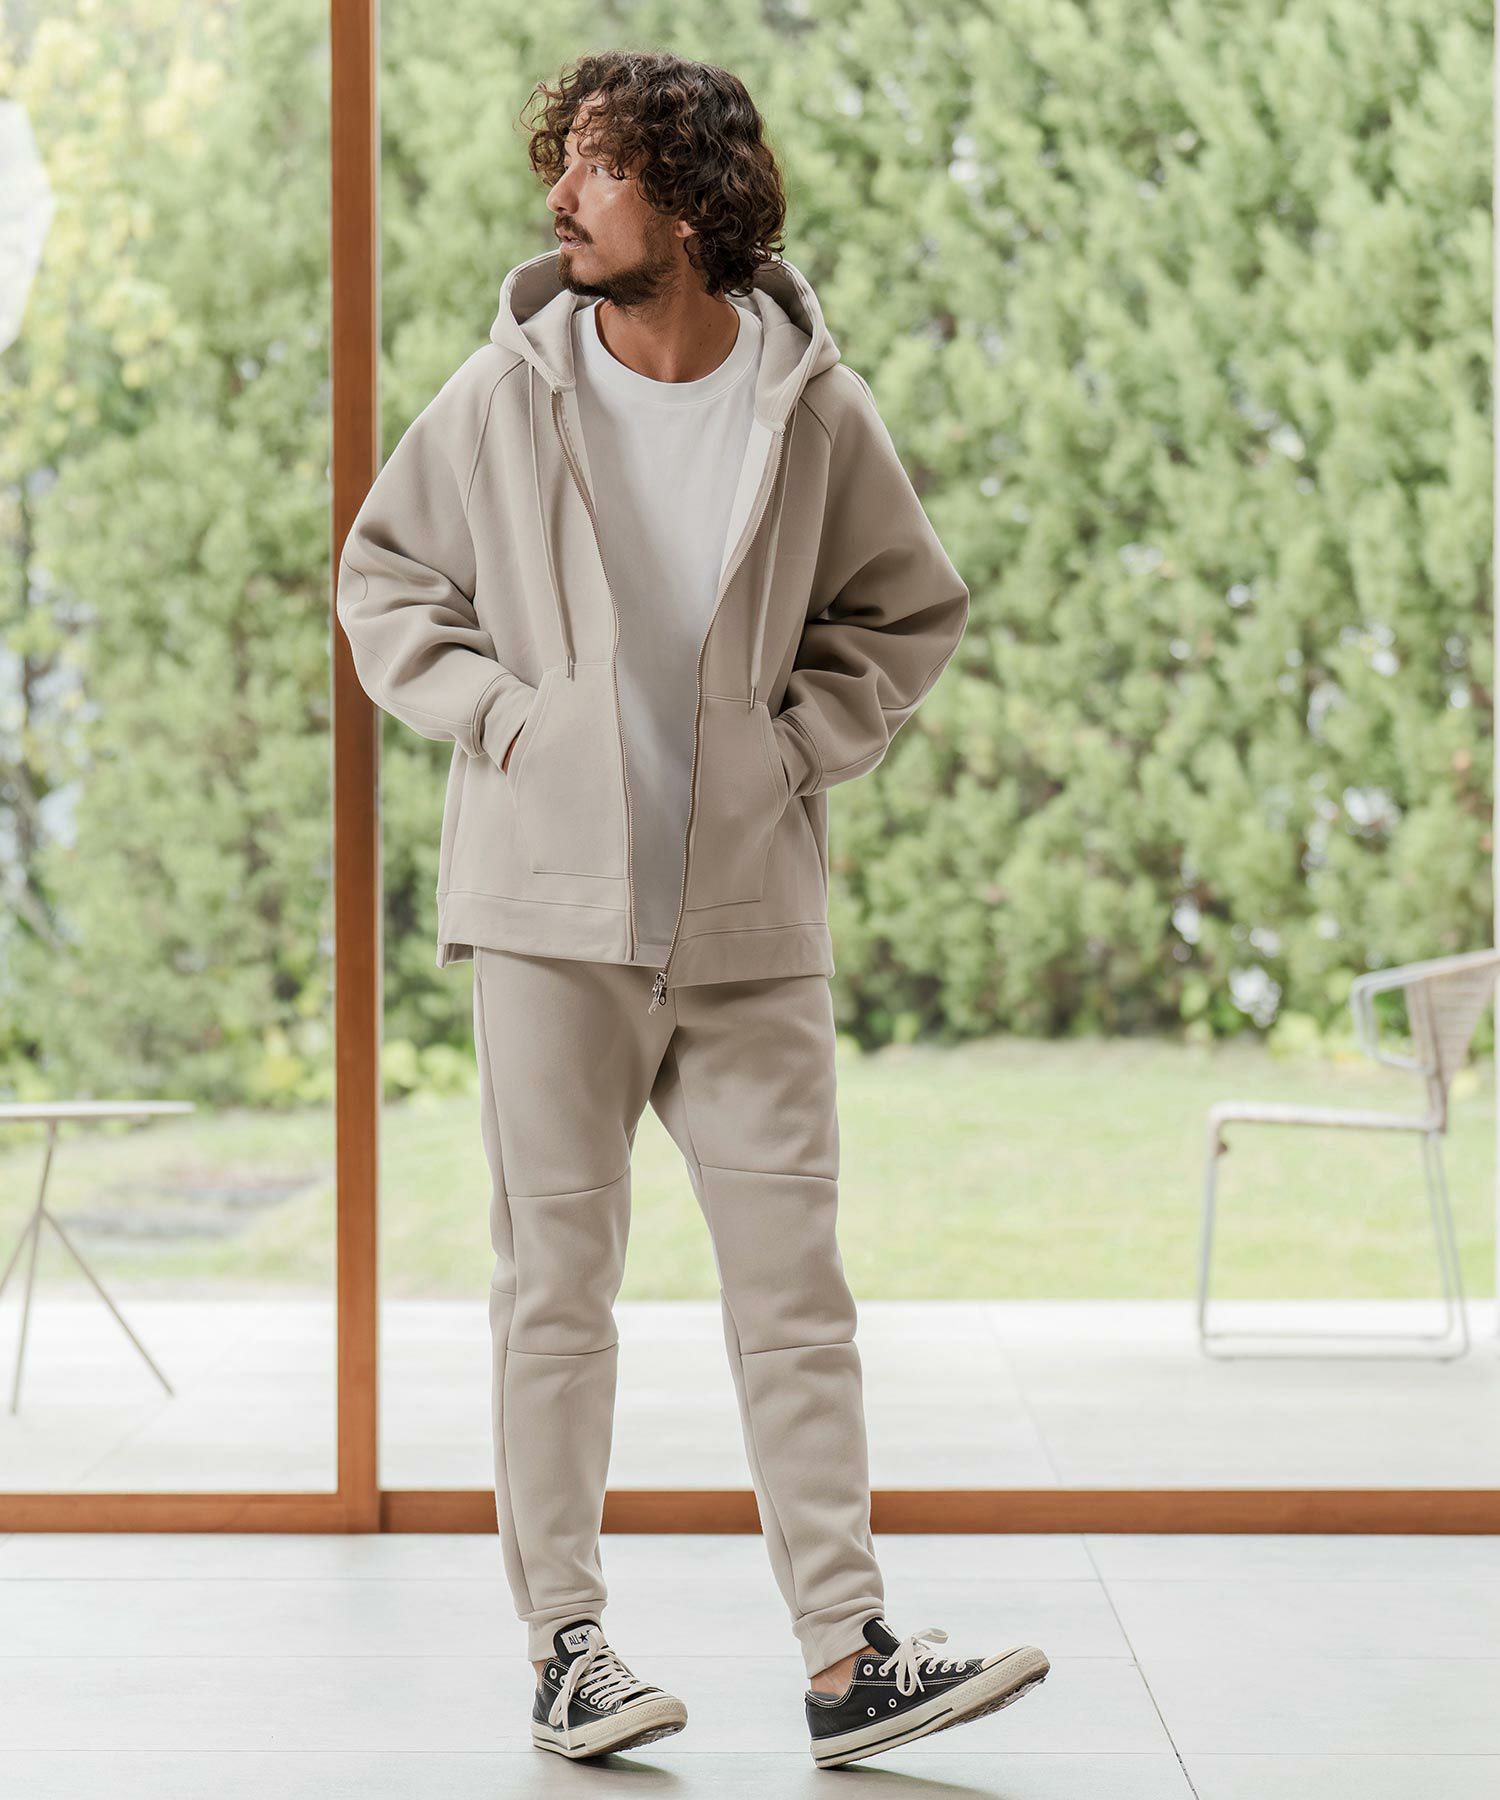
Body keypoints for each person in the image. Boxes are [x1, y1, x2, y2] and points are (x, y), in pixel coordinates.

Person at [335, 48, 1049, 1769]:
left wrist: (798, 748)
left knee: (797, 1298)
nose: (560, 196)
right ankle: (568, 1652)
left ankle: (848, 1659)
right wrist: (509, 721)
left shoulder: (813, 409)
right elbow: (385, 579)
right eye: (565, 162)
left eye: (597, 166)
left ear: (689, 196)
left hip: (747, 921)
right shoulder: (502, 396)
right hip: (548, 916)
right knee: (555, 1295)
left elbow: (906, 611)